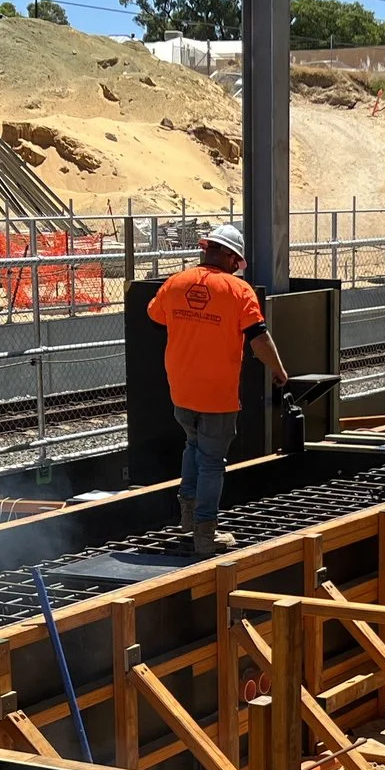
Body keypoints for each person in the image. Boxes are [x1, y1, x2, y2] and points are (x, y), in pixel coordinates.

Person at [148, 221, 289, 554]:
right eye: (236, 262)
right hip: (217, 395)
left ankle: (188, 516)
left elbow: (155, 314)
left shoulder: (176, 282)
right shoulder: (239, 291)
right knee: (211, 461)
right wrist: (279, 370)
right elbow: (259, 339)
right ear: (228, 256)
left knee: (193, 446)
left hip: (181, 390)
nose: (236, 268)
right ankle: (205, 534)